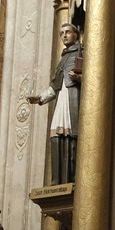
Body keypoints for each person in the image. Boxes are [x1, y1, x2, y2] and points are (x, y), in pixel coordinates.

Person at [27, 23, 84, 185]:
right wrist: (40, 98)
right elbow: (55, 86)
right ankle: (58, 181)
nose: (64, 35)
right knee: (56, 137)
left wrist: (79, 78)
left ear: (76, 34)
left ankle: (73, 179)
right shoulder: (64, 58)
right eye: (61, 33)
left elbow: (96, 80)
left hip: (75, 101)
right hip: (61, 100)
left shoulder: (83, 52)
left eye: (68, 32)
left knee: (73, 137)